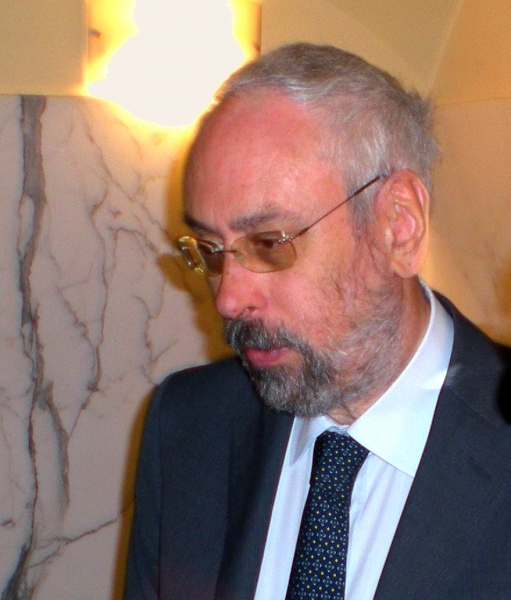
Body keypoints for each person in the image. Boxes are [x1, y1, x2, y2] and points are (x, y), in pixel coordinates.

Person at [124, 43, 511, 600]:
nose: (229, 298)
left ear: (398, 226)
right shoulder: (188, 426)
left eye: (269, 243)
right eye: (209, 249)